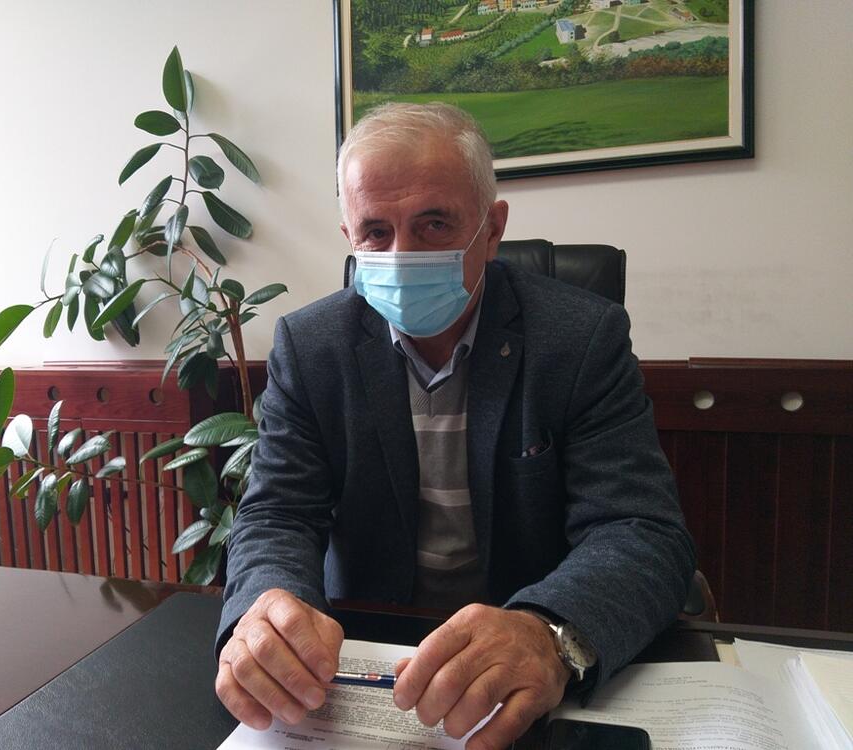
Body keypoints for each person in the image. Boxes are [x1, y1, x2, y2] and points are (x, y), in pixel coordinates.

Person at [214, 102, 695, 749]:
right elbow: (277, 513)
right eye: (375, 231)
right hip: (367, 656)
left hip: (523, 651)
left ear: (492, 229)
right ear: (349, 235)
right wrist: (266, 610)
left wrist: (549, 631)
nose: (401, 255)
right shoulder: (310, 345)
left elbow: (639, 528)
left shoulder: (580, 339)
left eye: (434, 223)